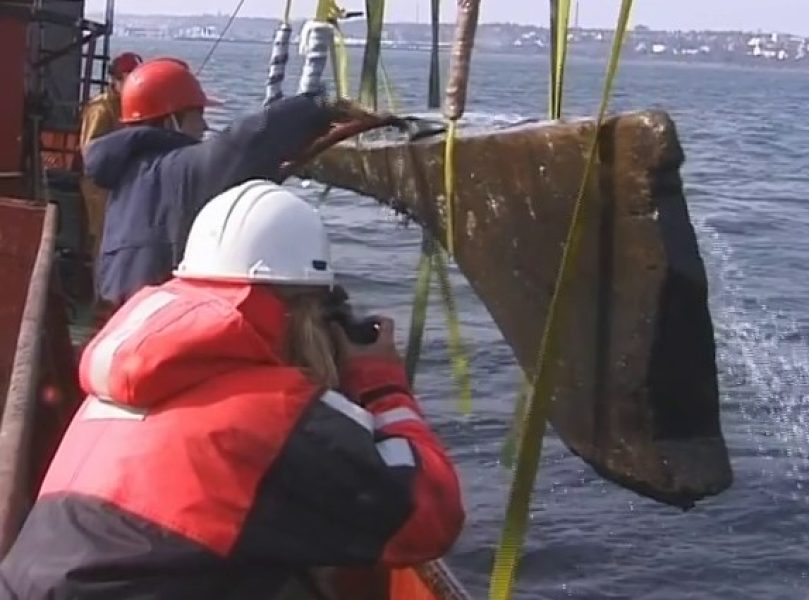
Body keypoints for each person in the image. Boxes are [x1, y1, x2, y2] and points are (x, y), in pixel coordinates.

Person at [0, 179, 466, 599]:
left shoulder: (129, 381)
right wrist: (381, 381)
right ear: (302, 311)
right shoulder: (270, 413)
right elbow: (431, 516)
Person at [82, 56, 356, 319]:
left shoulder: (131, 174)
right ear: (169, 120)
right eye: (197, 114)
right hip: (157, 323)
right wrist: (320, 106)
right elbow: (247, 142)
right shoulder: (179, 168)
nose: (204, 125)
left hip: (119, 321)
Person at [79, 51, 143, 261]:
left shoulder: (130, 105)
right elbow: (90, 149)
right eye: (130, 78)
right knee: (103, 238)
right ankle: (100, 290)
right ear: (115, 79)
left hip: (121, 183)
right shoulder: (101, 108)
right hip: (99, 186)